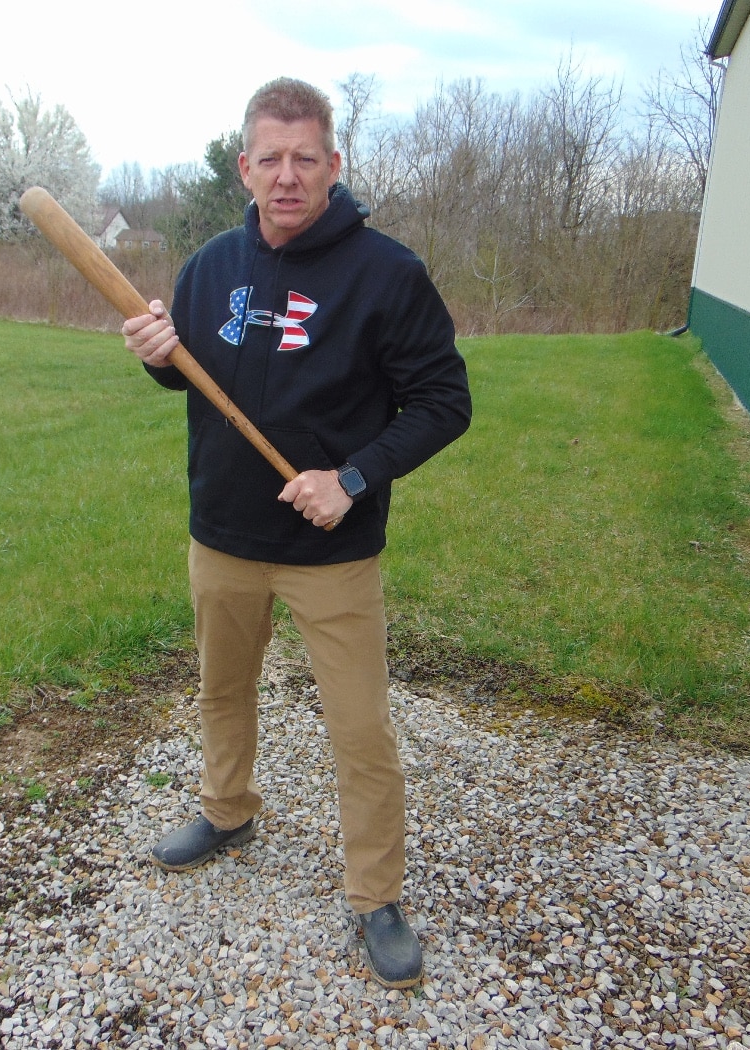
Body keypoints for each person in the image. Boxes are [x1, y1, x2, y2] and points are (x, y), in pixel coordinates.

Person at [121, 77, 471, 989]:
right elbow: (200, 378)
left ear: (333, 165)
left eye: (304, 158)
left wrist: (351, 477)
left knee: (360, 730)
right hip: (224, 536)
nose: (286, 176)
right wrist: (162, 361)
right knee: (222, 693)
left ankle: (376, 895)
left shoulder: (387, 275)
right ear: (245, 166)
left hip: (331, 554)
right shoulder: (206, 269)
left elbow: (445, 402)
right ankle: (227, 811)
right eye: (269, 158)